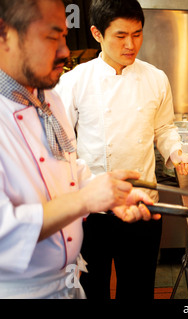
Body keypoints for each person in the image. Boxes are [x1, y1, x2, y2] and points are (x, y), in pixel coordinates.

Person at [0, 0, 158, 299]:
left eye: (63, 36)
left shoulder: (48, 100)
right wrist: (86, 199)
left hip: (68, 284)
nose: (64, 50)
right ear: (4, 35)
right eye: (51, 36)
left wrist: (110, 194)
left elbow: (70, 169)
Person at [56, 0, 188, 300]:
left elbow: (164, 129)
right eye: (121, 36)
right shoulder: (74, 82)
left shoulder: (156, 78)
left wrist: (177, 153)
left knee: (138, 289)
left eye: (137, 34)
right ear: (97, 34)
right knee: (92, 290)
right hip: (92, 210)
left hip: (143, 204)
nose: (131, 44)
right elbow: (62, 146)